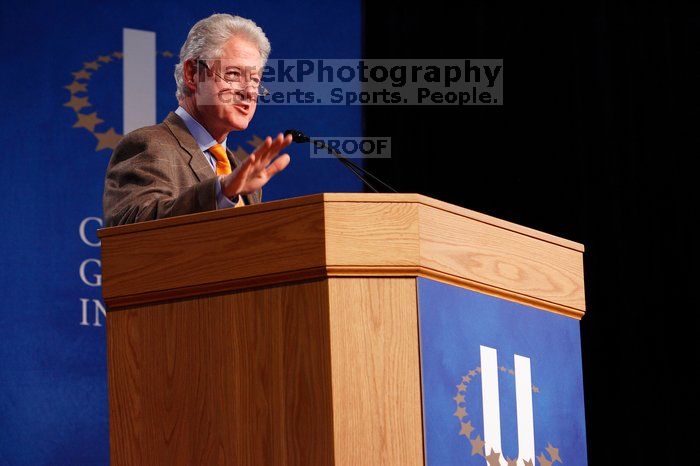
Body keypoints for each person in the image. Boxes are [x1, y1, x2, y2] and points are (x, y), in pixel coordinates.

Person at [103, 13, 292, 226]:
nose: (249, 91)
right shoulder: (149, 145)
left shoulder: (241, 175)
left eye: (255, 79)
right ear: (193, 74)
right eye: (233, 74)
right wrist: (221, 191)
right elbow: (134, 227)